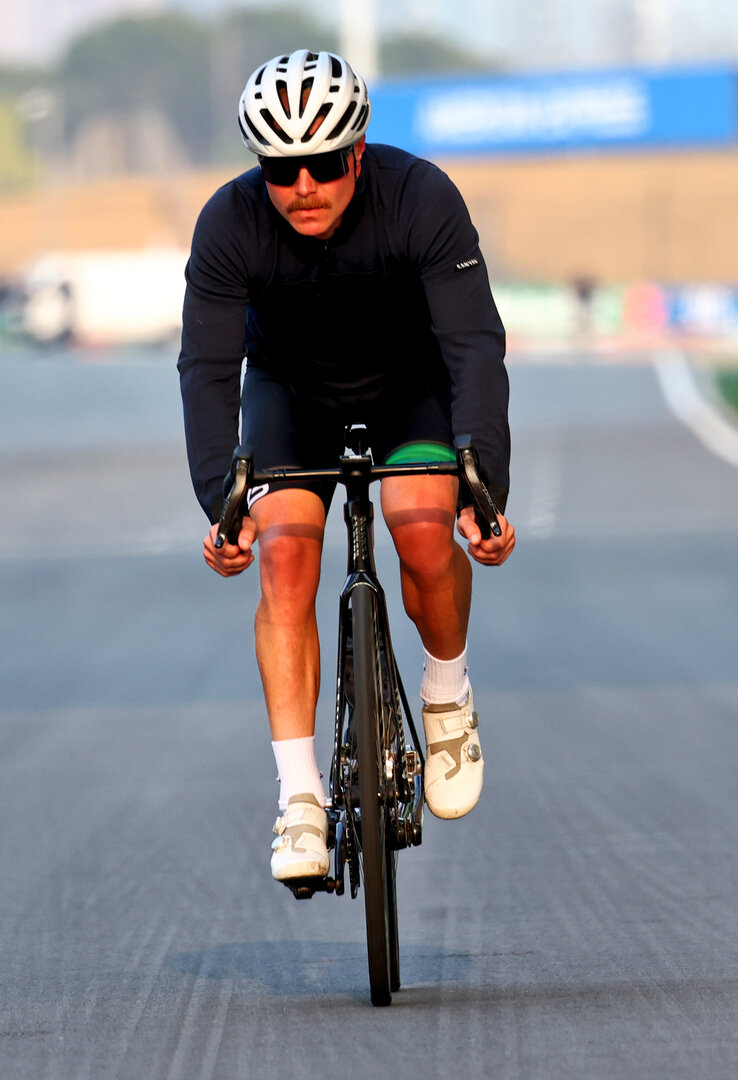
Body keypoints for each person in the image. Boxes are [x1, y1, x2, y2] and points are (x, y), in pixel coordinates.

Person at [178, 50, 515, 884]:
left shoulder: (421, 197)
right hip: (292, 393)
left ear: (357, 154)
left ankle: (445, 696)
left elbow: (473, 346)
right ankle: (299, 799)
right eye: (281, 171)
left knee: (422, 526)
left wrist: (485, 486)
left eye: (323, 166)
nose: (303, 188)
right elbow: (209, 372)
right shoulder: (228, 224)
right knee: (285, 557)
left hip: (411, 387)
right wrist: (220, 504)